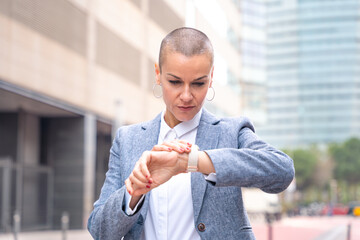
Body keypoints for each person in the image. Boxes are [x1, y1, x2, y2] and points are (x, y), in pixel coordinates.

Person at [88, 27, 294, 240]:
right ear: (158, 74)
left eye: (198, 83)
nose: (186, 95)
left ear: (211, 77)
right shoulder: (128, 139)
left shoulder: (231, 131)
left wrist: (192, 161)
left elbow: (282, 171)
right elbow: (99, 230)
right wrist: (133, 194)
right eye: (175, 82)